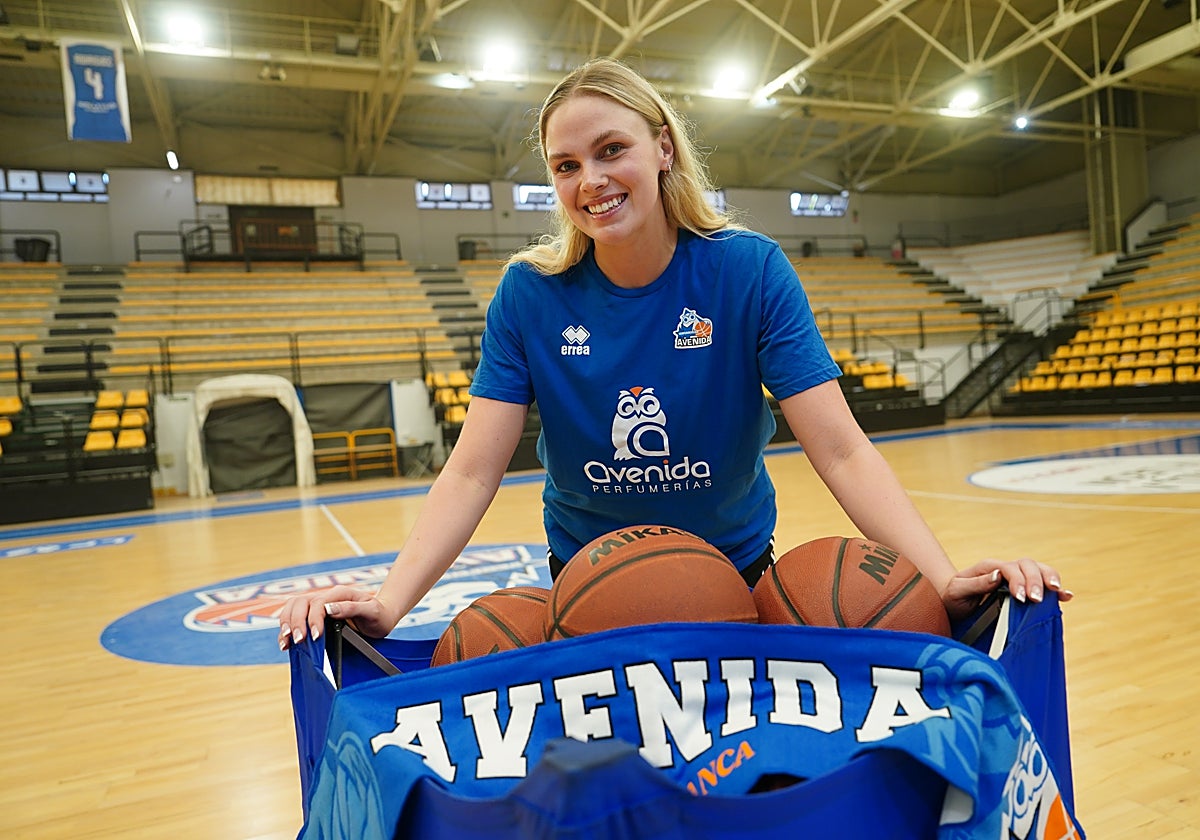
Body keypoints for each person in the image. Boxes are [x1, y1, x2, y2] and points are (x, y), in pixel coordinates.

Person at [278, 57, 1070, 651]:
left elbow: (839, 449)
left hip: (737, 574)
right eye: (566, 165)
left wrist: (940, 580)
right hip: (591, 584)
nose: (591, 180)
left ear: (662, 149)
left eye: (611, 149)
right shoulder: (528, 293)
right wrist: (391, 602)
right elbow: (474, 469)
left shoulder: (749, 270)